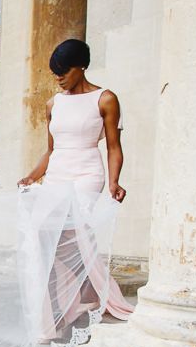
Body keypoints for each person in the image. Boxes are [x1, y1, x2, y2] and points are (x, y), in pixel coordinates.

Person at [19, 38, 135, 321]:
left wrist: (114, 182)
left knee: (74, 232)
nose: (58, 78)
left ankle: (87, 292)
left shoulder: (105, 98)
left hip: (86, 173)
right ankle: (75, 297)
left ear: (81, 66)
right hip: (57, 174)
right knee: (44, 234)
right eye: (54, 72)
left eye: (63, 71)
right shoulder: (52, 104)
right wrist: (32, 177)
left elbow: (113, 147)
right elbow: (51, 149)